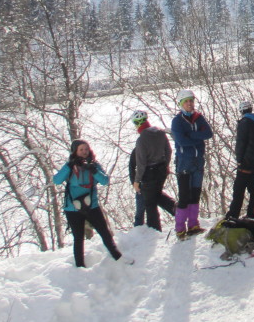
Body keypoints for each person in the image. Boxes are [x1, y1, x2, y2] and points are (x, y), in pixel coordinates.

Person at [52, 139, 131, 267]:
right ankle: (79, 266)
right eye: (81, 150)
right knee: (78, 238)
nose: (84, 152)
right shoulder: (70, 166)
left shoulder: (94, 165)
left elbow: (105, 181)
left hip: (92, 206)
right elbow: (56, 180)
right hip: (73, 208)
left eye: (86, 149)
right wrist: (70, 166)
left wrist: (94, 170)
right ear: (75, 152)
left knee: (104, 232)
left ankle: (118, 257)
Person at [169, 89, 213, 239]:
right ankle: (180, 228)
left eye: (191, 101)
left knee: (195, 193)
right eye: (186, 101)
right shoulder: (177, 121)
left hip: (198, 160)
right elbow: (181, 141)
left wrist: (192, 135)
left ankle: (193, 224)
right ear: (181, 104)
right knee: (184, 196)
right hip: (184, 162)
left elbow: (208, 133)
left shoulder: (198, 118)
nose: (189, 104)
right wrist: (197, 139)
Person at [128, 109, 177, 231]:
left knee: (150, 203)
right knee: (156, 195)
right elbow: (168, 151)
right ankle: (176, 209)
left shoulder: (141, 139)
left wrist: (137, 180)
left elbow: (141, 163)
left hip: (149, 173)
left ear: (137, 124)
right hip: (161, 169)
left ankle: (154, 230)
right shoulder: (160, 132)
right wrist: (166, 165)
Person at [226, 100, 254, 220]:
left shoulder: (244, 122)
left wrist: (239, 159)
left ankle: (233, 215)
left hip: (246, 160)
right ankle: (253, 212)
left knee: (238, 188)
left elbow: (241, 142)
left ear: (241, 111)